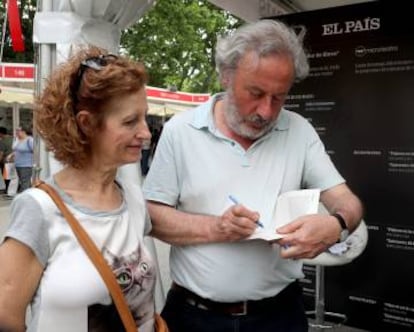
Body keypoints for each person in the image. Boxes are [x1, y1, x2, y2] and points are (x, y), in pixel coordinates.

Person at [143, 19, 364, 332]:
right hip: (194, 316)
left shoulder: (298, 130)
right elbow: (151, 216)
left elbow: (347, 201)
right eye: (256, 93)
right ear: (226, 76)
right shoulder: (181, 131)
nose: (267, 112)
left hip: (280, 315)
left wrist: (336, 225)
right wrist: (217, 227)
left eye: (279, 97)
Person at [0, 47, 157, 332]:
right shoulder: (39, 209)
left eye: (145, 118)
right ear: (86, 124)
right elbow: (6, 317)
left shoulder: (133, 199)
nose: (146, 133)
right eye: (130, 121)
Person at [6, 124, 34, 193]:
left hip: (26, 164)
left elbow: (35, 152)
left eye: (18, 130)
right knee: (23, 181)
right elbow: (16, 150)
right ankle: (29, 194)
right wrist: (11, 155)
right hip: (17, 164)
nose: (16, 132)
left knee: (25, 182)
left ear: (24, 131)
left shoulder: (30, 140)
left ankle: (26, 197)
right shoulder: (16, 139)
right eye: (16, 131)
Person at [0, 126, 13, 193]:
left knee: (6, 177)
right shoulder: (13, 138)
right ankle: (11, 189)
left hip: (5, 161)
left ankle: (8, 190)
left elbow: (1, 153)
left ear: (1, 133)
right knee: (12, 176)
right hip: (13, 160)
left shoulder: (3, 141)